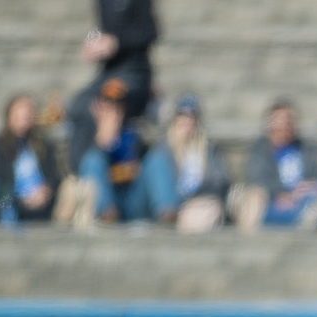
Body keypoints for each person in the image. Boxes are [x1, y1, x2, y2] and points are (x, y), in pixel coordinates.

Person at [66, 0, 158, 173]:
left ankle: (95, 172)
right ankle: (79, 174)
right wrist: (93, 47)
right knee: (77, 107)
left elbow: (150, 32)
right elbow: (102, 31)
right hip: (109, 71)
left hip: (135, 70)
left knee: (105, 106)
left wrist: (116, 42)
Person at [76, 77, 173, 224]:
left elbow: (147, 158)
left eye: (118, 104)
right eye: (107, 103)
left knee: (157, 159)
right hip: (104, 200)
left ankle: (167, 213)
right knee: (92, 159)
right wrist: (100, 142)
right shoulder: (84, 132)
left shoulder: (133, 131)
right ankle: (106, 216)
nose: (113, 109)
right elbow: (79, 168)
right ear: (97, 105)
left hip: (133, 198)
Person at [230, 100, 317, 233]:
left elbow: (316, 177)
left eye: (288, 121)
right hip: (268, 202)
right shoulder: (259, 149)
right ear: (270, 124)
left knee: (315, 196)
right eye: (279, 121)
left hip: (300, 201)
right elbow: (256, 178)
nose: (284, 126)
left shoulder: (306, 149)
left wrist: (297, 193)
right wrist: (280, 193)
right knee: (252, 195)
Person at [147, 93, 230, 233]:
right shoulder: (162, 149)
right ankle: (169, 215)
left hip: (199, 203)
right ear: (174, 120)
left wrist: (196, 196)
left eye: (191, 118)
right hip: (171, 205)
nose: (187, 123)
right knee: (155, 162)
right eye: (182, 117)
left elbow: (220, 180)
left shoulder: (209, 149)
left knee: (208, 211)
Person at [0, 94, 62, 223]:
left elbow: (54, 176)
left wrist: (46, 191)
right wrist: (22, 199)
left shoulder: (43, 145)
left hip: (42, 201)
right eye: (19, 116)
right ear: (9, 117)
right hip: (12, 202)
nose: (24, 120)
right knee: (5, 204)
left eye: (27, 115)